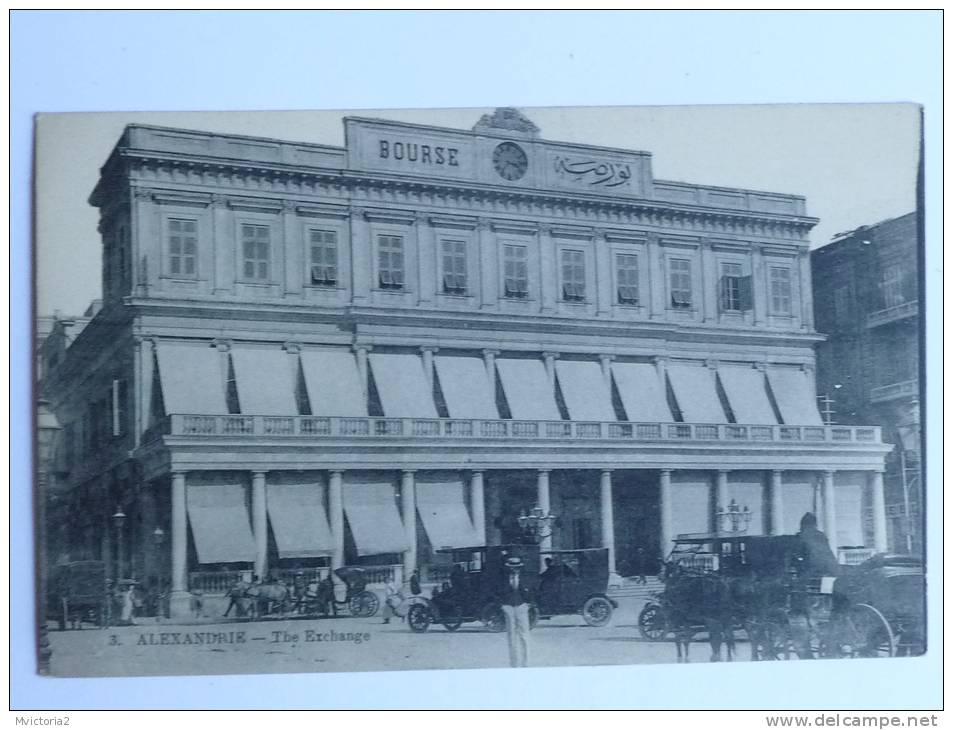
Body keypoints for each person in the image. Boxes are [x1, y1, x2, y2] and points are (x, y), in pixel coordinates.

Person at [500, 556, 533, 668]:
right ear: (508, 568)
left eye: (517, 567)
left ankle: (526, 663)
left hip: (521, 607)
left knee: (524, 635)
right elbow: (497, 591)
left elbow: (531, 591)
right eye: (512, 567)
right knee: (511, 636)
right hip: (508, 607)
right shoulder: (503, 579)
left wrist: (528, 604)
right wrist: (503, 605)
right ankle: (514, 664)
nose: (515, 569)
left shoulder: (526, 578)